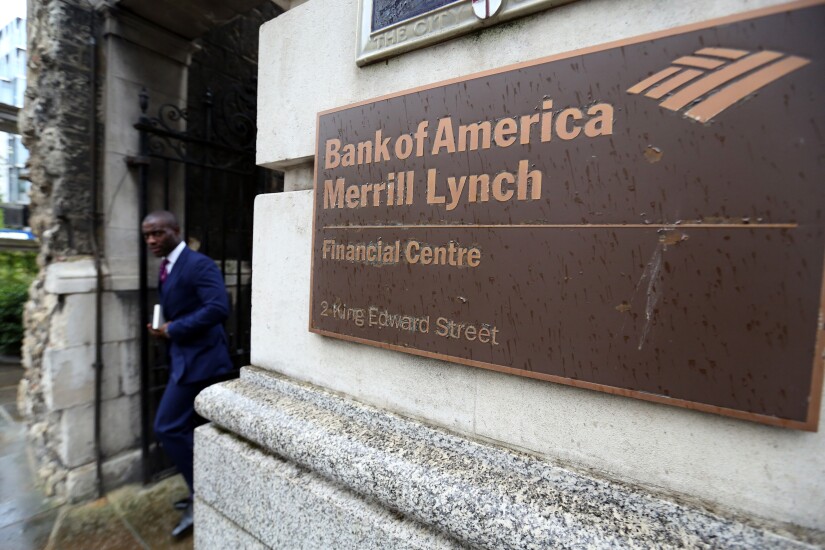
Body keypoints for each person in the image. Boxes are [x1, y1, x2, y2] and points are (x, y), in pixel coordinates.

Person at [142, 210, 234, 537]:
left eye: (158, 233)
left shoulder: (199, 264)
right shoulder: (166, 265)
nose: (151, 240)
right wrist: (164, 329)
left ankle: (204, 494)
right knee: (190, 428)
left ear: (176, 230)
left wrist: (173, 329)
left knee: (167, 426)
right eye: (147, 235)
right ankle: (206, 490)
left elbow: (218, 308)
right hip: (182, 359)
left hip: (202, 362)